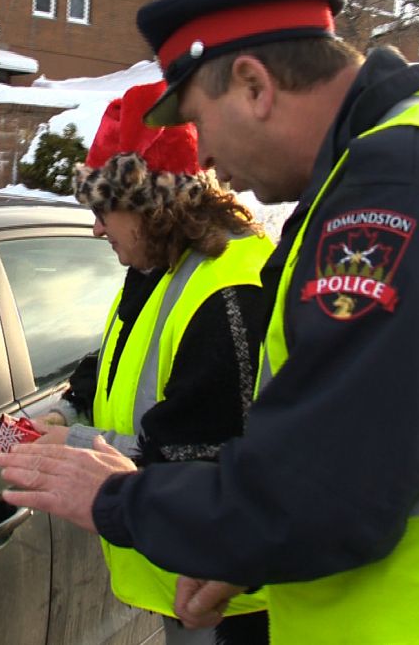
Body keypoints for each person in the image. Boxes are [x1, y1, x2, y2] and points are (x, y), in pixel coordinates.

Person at [0, 0, 419, 644]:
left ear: (254, 85)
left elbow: (326, 489)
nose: (202, 155)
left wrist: (112, 497)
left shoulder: (401, 191)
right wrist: (246, 552)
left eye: (197, 120)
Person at [32, 80, 273, 644]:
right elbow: (115, 362)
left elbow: (204, 460)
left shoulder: (228, 292)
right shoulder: (157, 268)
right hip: (184, 577)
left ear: (152, 206)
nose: (96, 228)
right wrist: (69, 410)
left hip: (233, 605)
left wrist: (72, 448)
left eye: (104, 210)